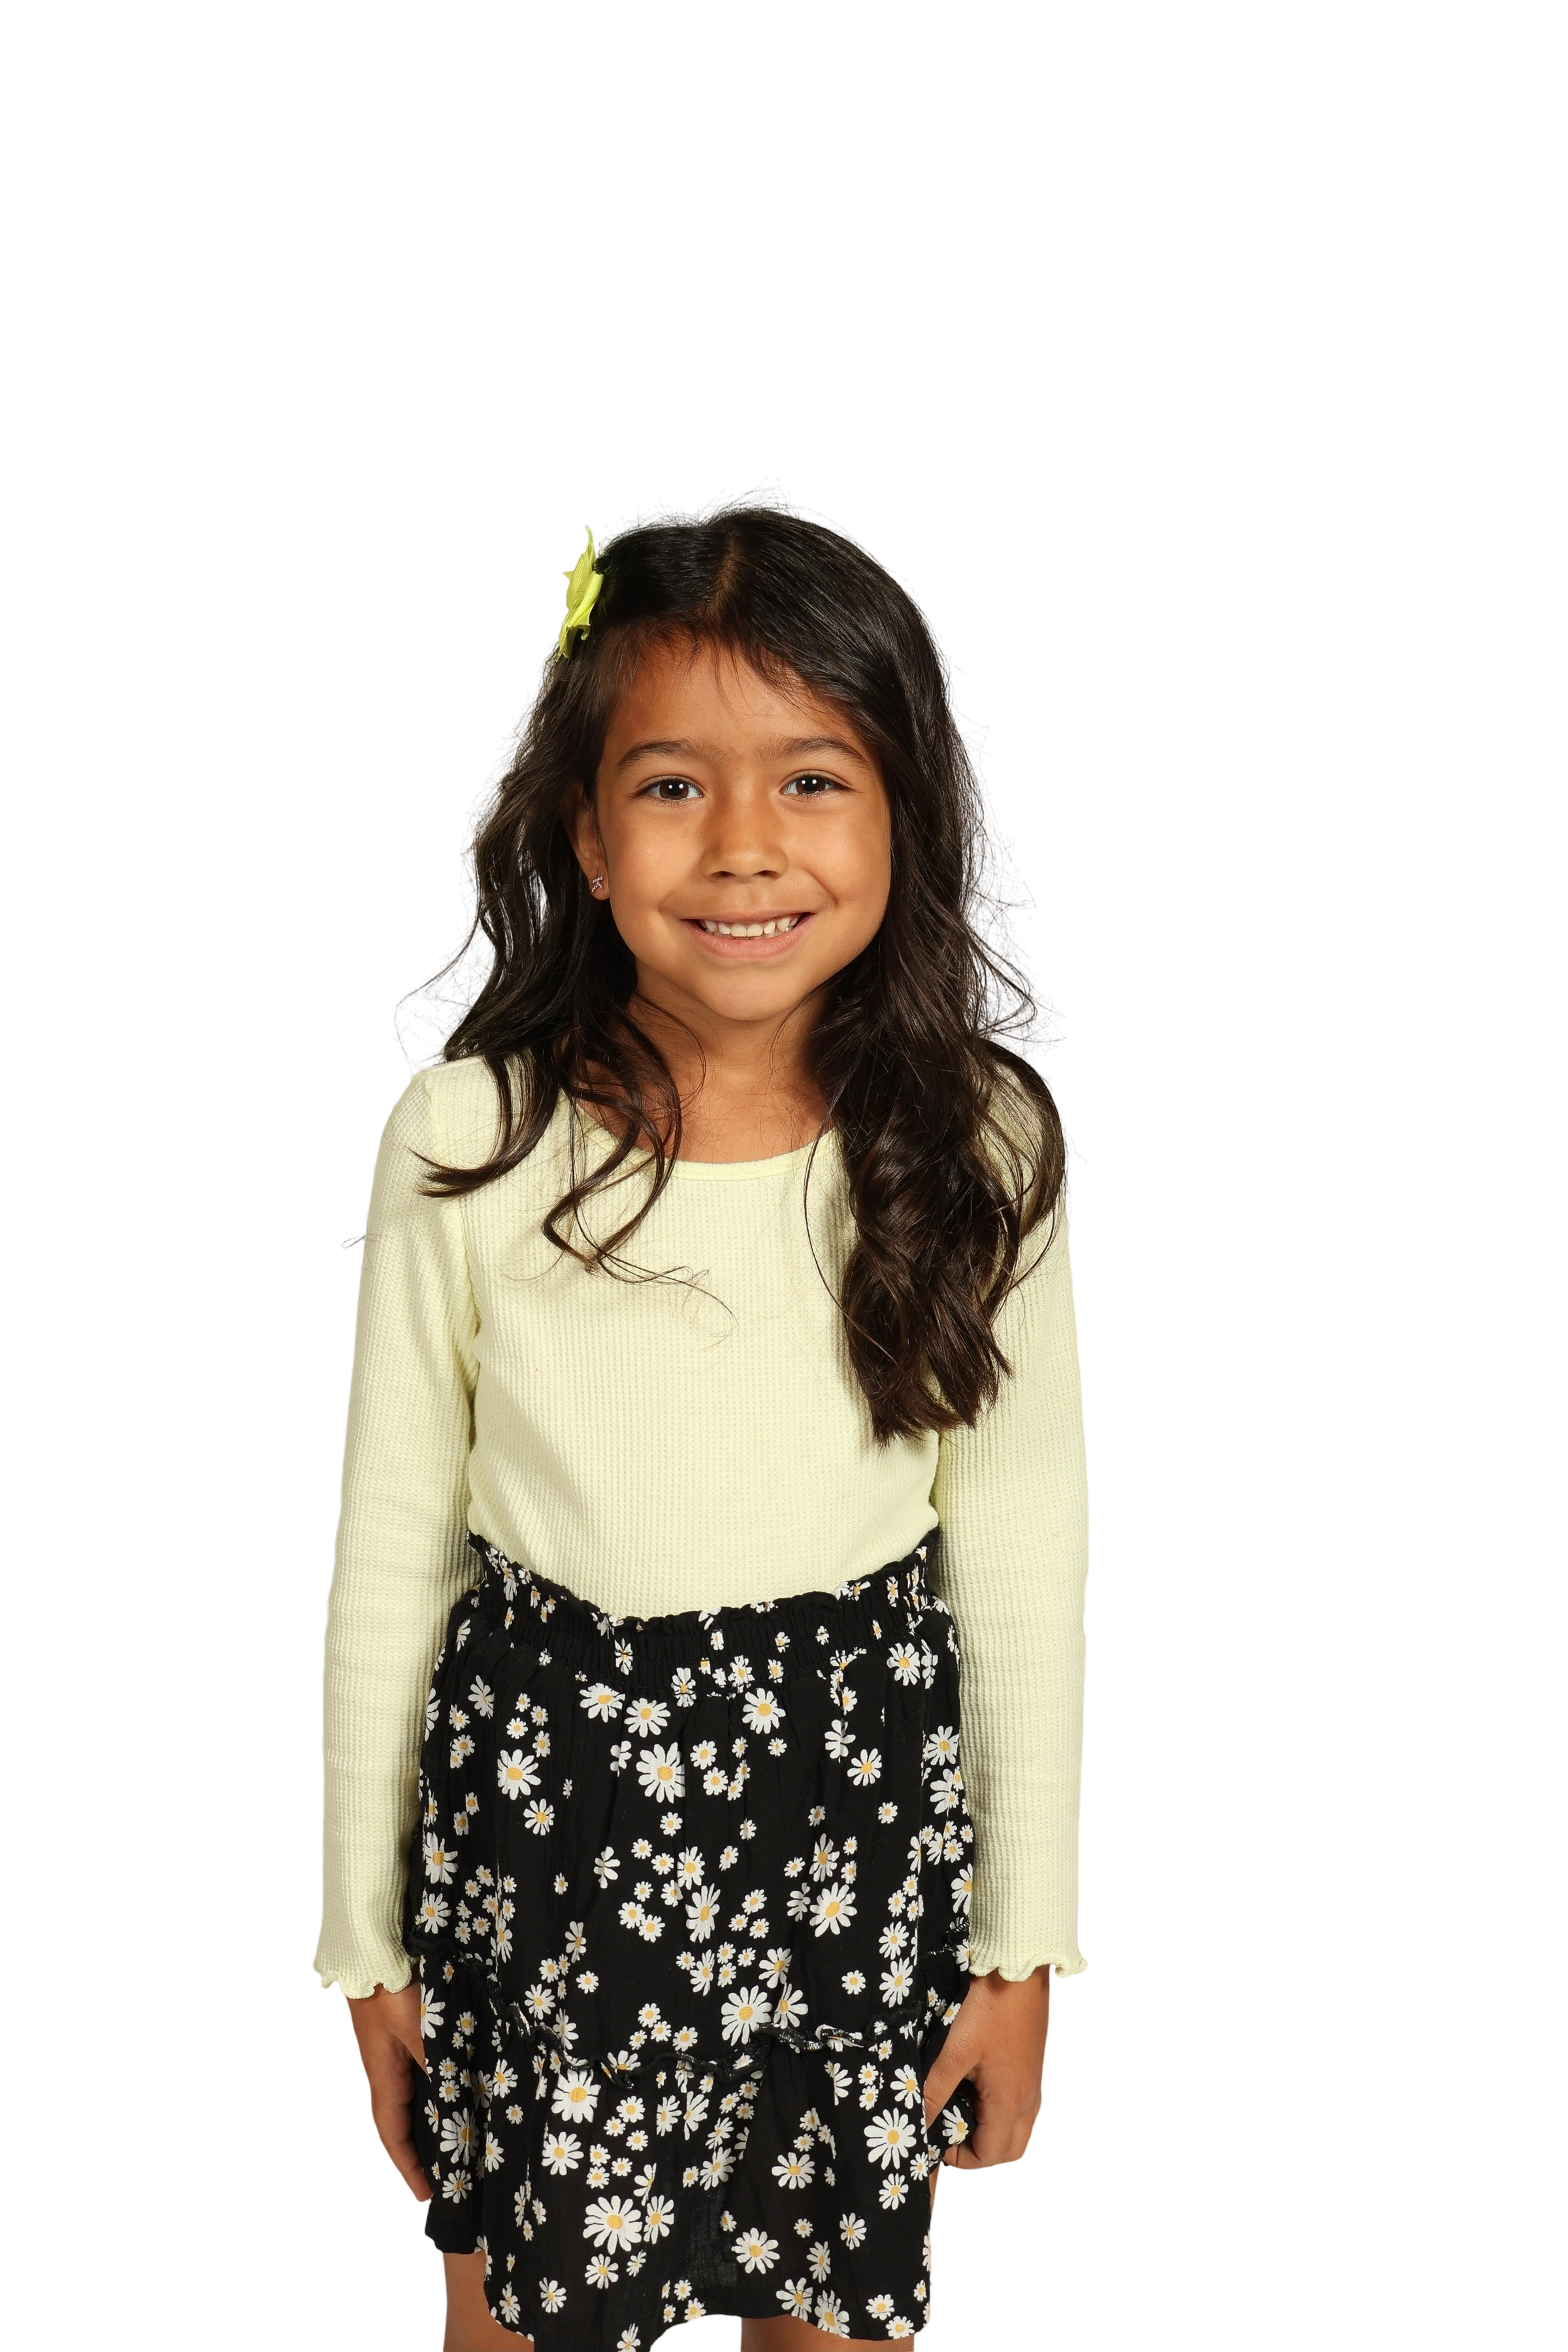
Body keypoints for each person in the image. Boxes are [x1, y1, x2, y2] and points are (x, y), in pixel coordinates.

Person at [312, 479, 1092, 2351]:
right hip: (540, 1837)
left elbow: (1019, 1566)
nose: (744, 846)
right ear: (586, 837)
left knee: (818, 2315)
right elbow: (392, 1565)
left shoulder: (978, 1148)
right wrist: (365, 1942)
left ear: (907, 814)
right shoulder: (468, 1142)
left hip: (852, 1828)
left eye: (813, 778)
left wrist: (1018, 1948)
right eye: (673, 785)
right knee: (516, 2316)